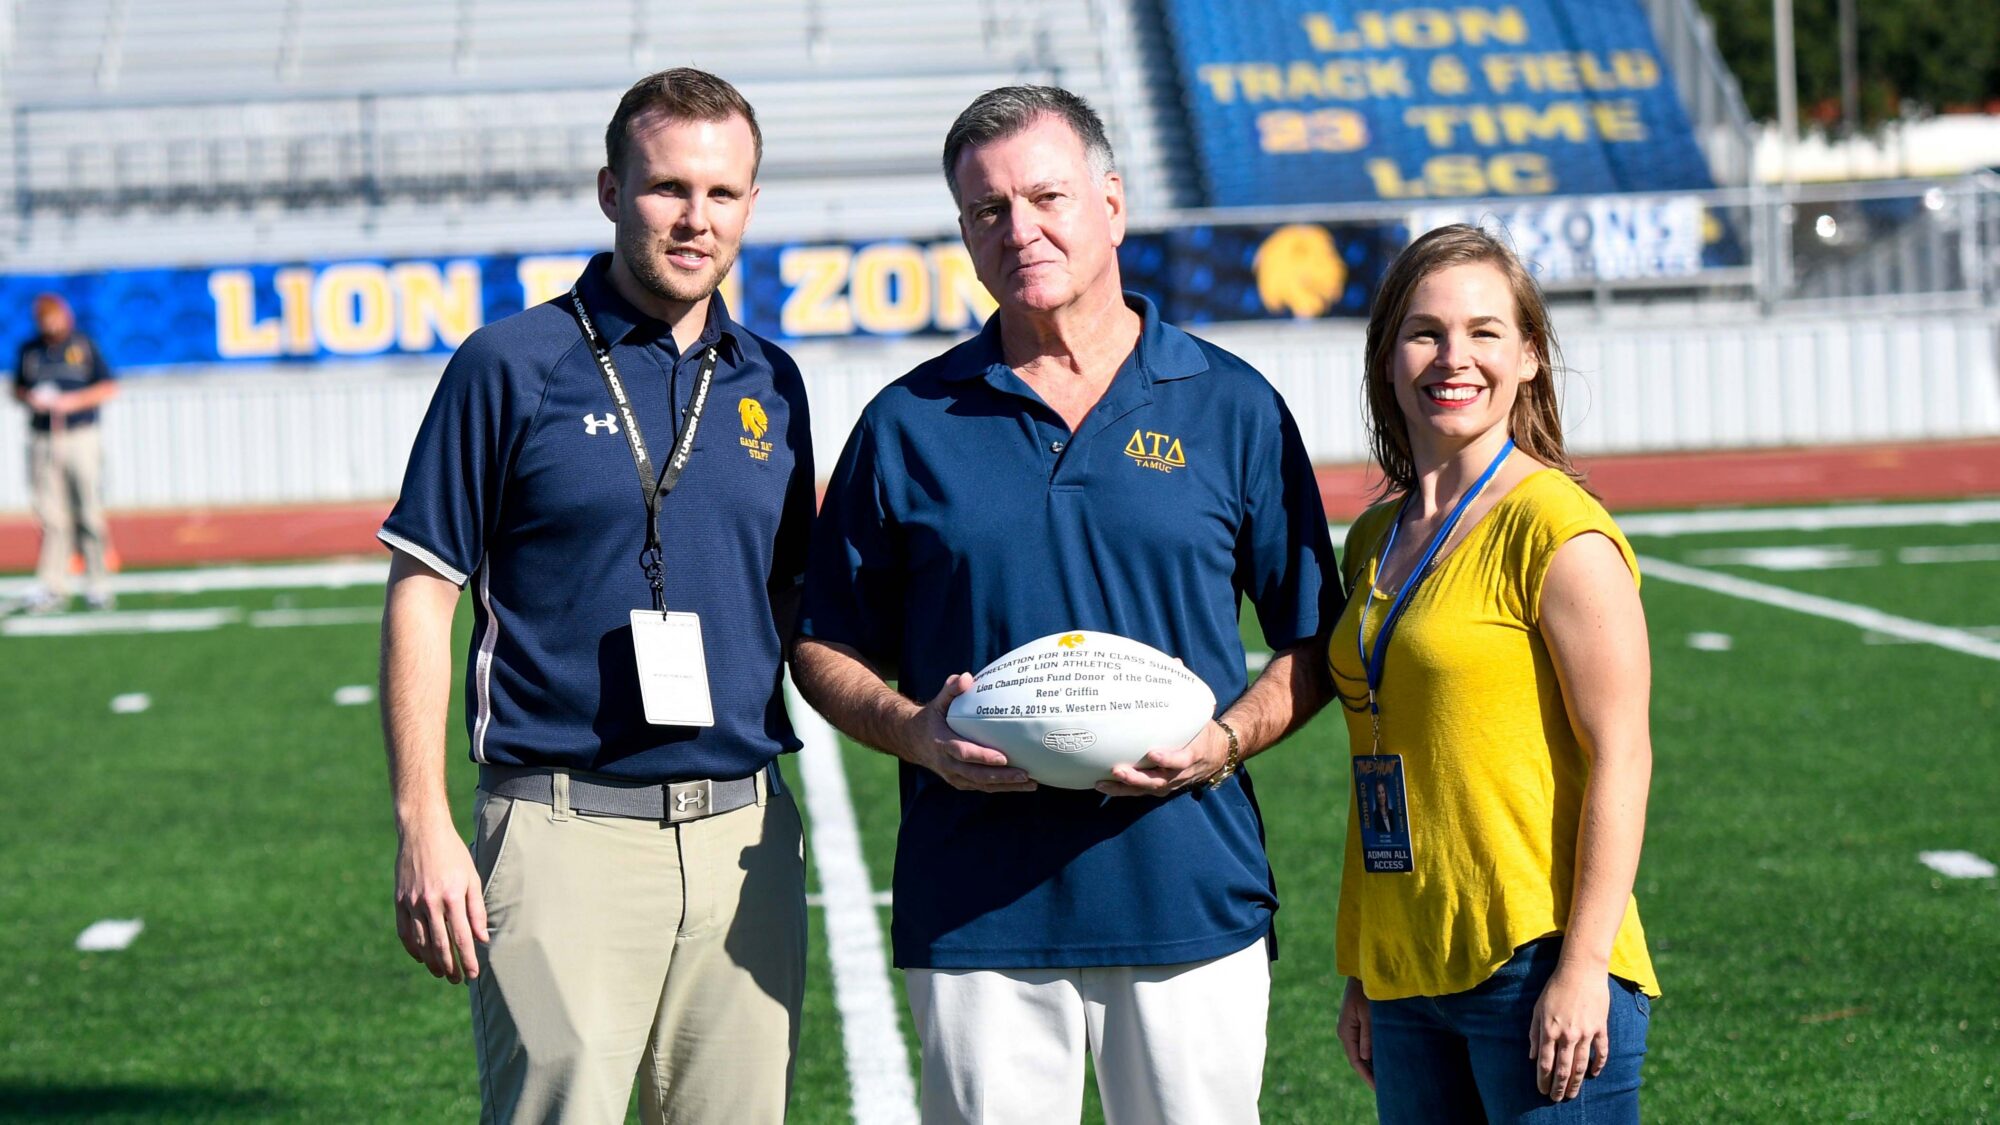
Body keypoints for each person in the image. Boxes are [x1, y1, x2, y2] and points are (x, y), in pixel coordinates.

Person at [794, 85, 1340, 1124]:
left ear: (1111, 204)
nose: (1019, 229)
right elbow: (825, 646)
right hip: (975, 914)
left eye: (1045, 196)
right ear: (962, 231)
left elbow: (1311, 639)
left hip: (1187, 896)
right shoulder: (906, 424)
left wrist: (1223, 741)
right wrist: (915, 733)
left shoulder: (1229, 406)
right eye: (986, 210)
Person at [377, 68, 813, 1125]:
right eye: (667, 187)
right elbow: (421, 591)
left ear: (750, 204)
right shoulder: (507, 365)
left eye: (721, 193)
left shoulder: (771, 380)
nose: (694, 218)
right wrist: (422, 821)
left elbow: (803, 603)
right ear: (611, 190)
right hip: (560, 830)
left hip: (742, 835)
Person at [1328, 224, 1659, 1123]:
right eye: (1425, 331)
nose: (1452, 357)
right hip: (1408, 964)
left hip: (1534, 959)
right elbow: (1381, 757)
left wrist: (1585, 966)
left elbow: (1623, 755)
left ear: (1531, 357)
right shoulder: (1371, 539)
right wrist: (1366, 959)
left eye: (1484, 331)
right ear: (1388, 357)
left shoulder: (1557, 528)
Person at [9, 293, 118, 614]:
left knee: (88, 509)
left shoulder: (83, 346)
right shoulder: (30, 351)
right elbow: (17, 388)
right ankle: (53, 585)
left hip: (80, 435)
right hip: (43, 436)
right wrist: (32, 398)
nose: (51, 324)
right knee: (51, 516)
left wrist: (73, 402)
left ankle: (98, 583)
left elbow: (108, 386)